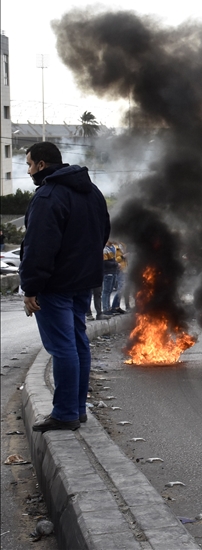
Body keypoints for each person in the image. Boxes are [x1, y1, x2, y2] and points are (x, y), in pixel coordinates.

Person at [20, 142, 110, 432]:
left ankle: (65, 412)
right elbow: (103, 232)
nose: (28, 171)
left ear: (42, 165)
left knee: (62, 347)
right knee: (78, 341)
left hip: (55, 285)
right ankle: (77, 409)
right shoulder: (92, 192)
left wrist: (30, 288)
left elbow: (38, 247)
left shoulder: (48, 196)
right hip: (83, 282)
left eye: (29, 164)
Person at [101, 241, 120, 316]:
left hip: (114, 272)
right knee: (106, 291)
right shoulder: (105, 249)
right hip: (107, 273)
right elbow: (104, 262)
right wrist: (116, 264)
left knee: (110, 291)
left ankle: (109, 308)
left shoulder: (113, 248)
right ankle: (105, 309)